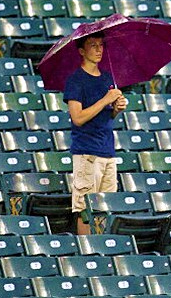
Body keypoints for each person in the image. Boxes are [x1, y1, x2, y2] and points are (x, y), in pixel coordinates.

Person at [63, 31, 127, 235]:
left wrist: (117, 108)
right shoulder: (75, 80)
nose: (99, 49)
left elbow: (106, 116)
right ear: (82, 51)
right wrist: (105, 100)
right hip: (87, 152)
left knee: (105, 209)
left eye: (101, 45)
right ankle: (87, 255)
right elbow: (78, 118)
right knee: (85, 209)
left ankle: (102, 252)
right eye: (93, 45)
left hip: (108, 150)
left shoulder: (108, 78)